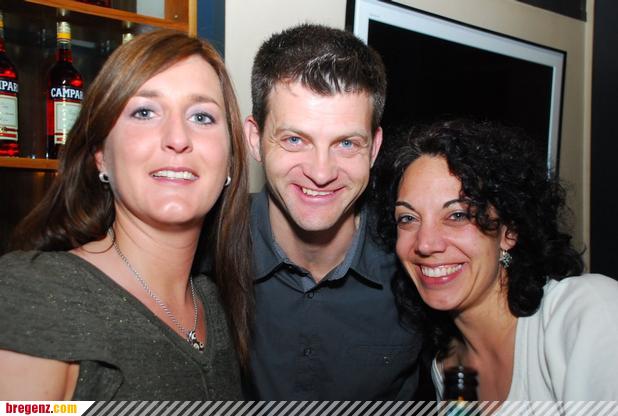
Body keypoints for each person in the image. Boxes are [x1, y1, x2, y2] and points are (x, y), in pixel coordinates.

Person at [0, 29, 252, 400]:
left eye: (202, 117)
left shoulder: (217, 306)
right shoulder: (40, 292)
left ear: (229, 160)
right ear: (101, 155)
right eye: (144, 112)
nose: (177, 138)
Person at [371, 118, 618, 402]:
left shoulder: (585, 314)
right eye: (407, 218)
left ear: (509, 230)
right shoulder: (447, 368)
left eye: (457, 215)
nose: (425, 243)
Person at [242, 23, 422, 400]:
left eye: (346, 144)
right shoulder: (202, 254)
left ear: (374, 148)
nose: (321, 173)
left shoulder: (417, 263)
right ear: (255, 139)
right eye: (295, 139)